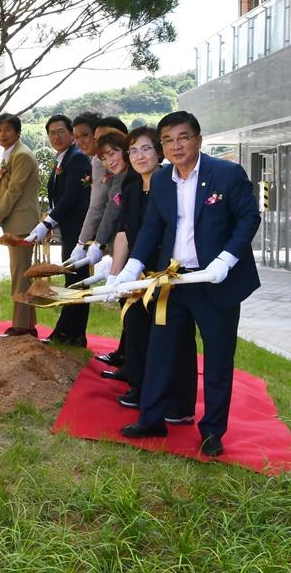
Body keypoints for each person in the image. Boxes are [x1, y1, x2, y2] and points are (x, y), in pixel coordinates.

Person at [110, 111, 261, 457]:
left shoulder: (226, 173)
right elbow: (152, 228)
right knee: (161, 350)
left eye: (183, 138)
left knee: (218, 359)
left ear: (198, 139)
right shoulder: (162, 181)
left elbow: (249, 217)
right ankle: (151, 419)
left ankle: (212, 431)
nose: (176, 146)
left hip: (215, 283)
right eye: (168, 140)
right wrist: (131, 269)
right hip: (175, 281)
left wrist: (227, 259)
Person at [107, 127, 197, 417]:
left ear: (159, 151)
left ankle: (177, 401)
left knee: (173, 338)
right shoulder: (131, 190)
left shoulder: (174, 185)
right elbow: (124, 232)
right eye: (132, 150)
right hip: (137, 272)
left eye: (145, 148)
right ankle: (140, 386)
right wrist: (115, 272)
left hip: (169, 273)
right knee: (135, 327)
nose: (139, 156)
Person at [28, 115, 93, 346]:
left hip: (79, 230)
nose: (56, 137)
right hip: (68, 228)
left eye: (61, 131)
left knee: (77, 281)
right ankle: (73, 334)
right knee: (75, 280)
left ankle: (68, 333)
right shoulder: (63, 159)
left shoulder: (77, 159)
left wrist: (47, 222)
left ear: (71, 134)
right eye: (52, 133)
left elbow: (72, 197)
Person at [0, 113, 40, 337]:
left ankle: (22, 327)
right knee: (21, 273)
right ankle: (27, 324)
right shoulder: (11, 154)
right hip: (15, 221)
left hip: (22, 223)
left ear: (17, 132)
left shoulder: (21, 155)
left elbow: (14, 191)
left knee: (20, 275)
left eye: (6, 130)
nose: (1, 134)